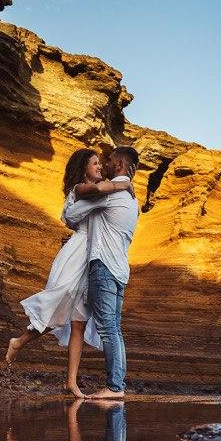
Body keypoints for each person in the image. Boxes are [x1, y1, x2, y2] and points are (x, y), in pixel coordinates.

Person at [4, 149, 135, 398]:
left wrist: (118, 186)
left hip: (94, 257)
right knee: (58, 307)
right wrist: (122, 185)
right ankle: (18, 341)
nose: (99, 167)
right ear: (83, 168)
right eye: (95, 163)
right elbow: (70, 216)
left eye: (100, 163)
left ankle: (71, 382)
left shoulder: (102, 191)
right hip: (78, 255)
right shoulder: (82, 190)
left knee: (79, 324)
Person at [63, 146, 140, 401]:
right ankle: (117, 384)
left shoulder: (109, 193)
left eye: (108, 160)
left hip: (104, 267)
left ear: (118, 163)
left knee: (108, 329)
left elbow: (71, 215)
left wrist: (78, 195)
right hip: (120, 270)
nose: (104, 164)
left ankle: (116, 387)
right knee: (115, 329)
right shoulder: (133, 199)